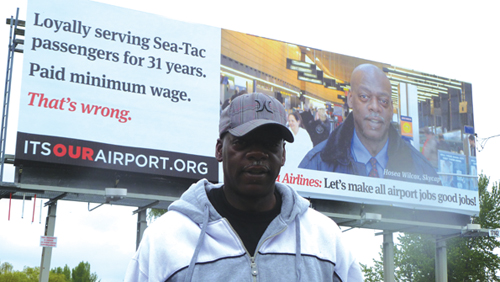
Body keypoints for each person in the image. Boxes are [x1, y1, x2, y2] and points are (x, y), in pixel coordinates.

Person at [124, 92, 363, 282]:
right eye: (242, 142)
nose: (257, 153)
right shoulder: (167, 237)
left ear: (283, 155)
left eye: (270, 144)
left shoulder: (325, 238)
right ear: (219, 150)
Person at [299, 64, 441, 185]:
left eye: (383, 101)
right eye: (364, 97)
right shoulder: (316, 165)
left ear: (391, 108)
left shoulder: (422, 171)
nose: (375, 107)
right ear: (350, 99)